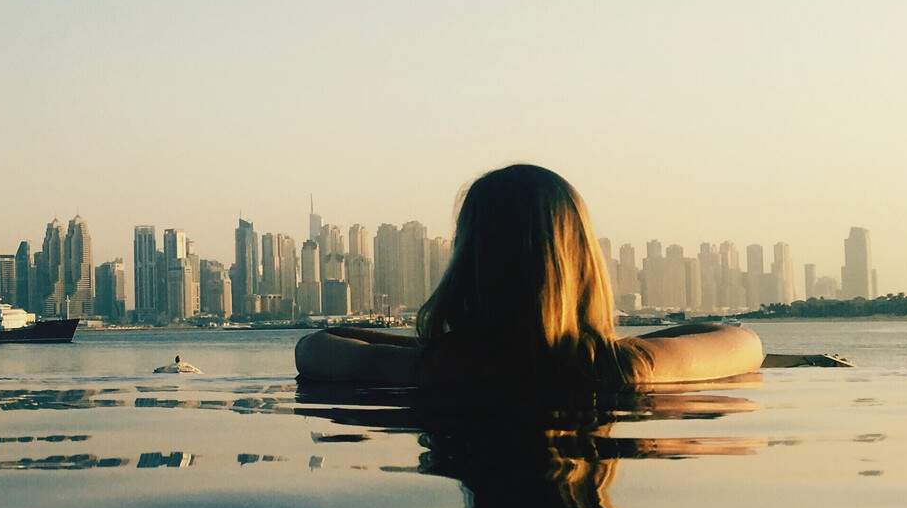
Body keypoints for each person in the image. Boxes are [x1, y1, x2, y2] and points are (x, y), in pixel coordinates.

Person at [294, 164, 765, 393]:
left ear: (467, 264)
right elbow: (743, 342)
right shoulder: (625, 367)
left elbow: (316, 346)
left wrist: (436, 347)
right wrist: (617, 343)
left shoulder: (436, 369)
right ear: (583, 263)